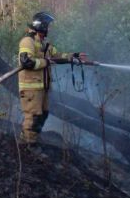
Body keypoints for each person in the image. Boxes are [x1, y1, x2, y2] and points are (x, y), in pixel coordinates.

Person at [18, 12, 87, 149]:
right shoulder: (28, 41)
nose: (49, 29)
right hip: (31, 88)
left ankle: (30, 141)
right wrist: (46, 62)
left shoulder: (44, 44)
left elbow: (58, 56)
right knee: (33, 118)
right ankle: (28, 147)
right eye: (47, 26)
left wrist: (74, 56)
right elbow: (26, 62)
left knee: (43, 115)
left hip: (42, 88)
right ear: (41, 25)